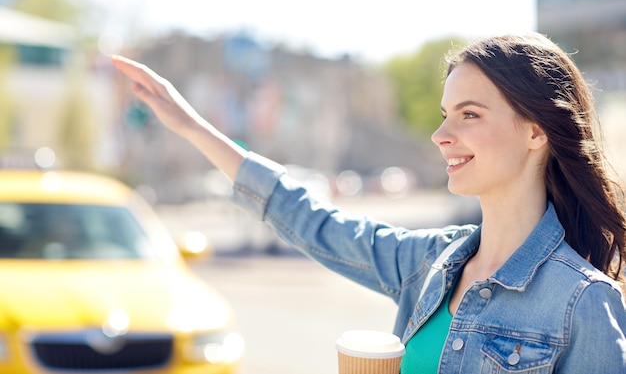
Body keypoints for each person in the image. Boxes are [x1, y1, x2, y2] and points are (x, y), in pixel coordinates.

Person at [112, 32, 626, 373]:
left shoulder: (584, 304)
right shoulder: (429, 264)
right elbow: (312, 220)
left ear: (536, 131)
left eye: (469, 114)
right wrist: (192, 127)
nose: (440, 134)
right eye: (445, 114)